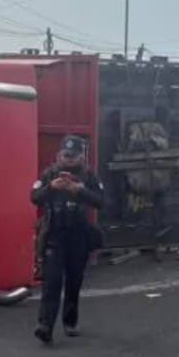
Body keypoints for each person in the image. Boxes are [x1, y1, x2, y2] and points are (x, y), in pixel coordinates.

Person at [30, 135, 104, 345]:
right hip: (54, 233)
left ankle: (70, 321)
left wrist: (80, 191)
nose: (69, 160)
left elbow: (101, 201)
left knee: (74, 281)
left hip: (78, 234)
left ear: (81, 156)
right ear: (59, 155)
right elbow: (33, 197)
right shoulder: (49, 174)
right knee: (51, 282)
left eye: (73, 156)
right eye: (65, 155)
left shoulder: (89, 176)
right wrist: (52, 187)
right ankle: (45, 325)